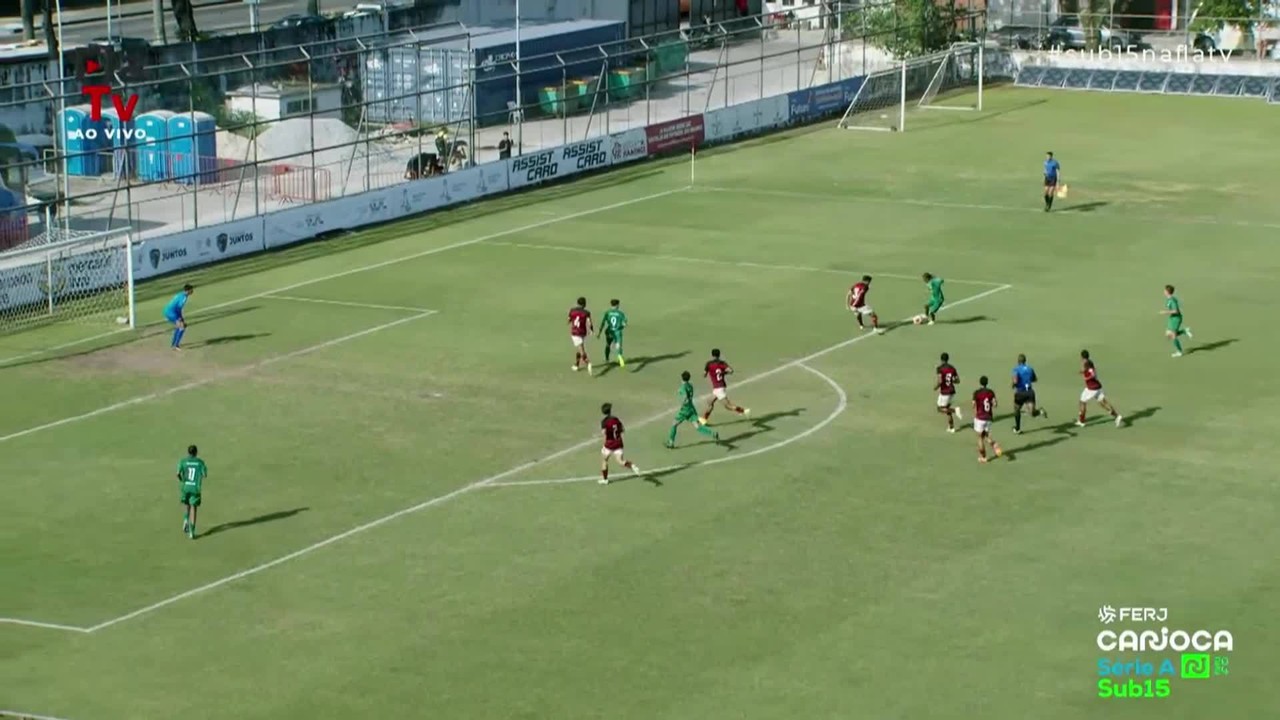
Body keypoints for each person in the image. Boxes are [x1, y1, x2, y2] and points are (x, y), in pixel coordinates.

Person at [667, 371, 718, 448]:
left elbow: (685, 397)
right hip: (691, 409)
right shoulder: (690, 386)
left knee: (674, 424)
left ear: (682, 378)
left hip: (685, 410)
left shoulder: (683, 387)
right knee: (697, 426)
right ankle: (712, 433)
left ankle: (671, 442)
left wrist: (684, 401)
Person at [701, 348, 750, 425]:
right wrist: (723, 373)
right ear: (719, 355)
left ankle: (743, 411)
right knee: (709, 401)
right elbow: (730, 371)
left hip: (719, 388)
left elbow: (704, 375)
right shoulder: (722, 363)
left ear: (712, 355)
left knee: (727, 406)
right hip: (719, 386)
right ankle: (703, 420)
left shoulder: (709, 364)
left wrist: (708, 372)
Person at [1077, 350, 1124, 427]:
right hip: (1098, 387)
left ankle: (1082, 421)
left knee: (1082, 402)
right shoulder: (1089, 362)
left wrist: (1086, 378)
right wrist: (1083, 372)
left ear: (1082, 357)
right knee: (1103, 403)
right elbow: (1090, 370)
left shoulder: (1086, 363)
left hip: (1091, 388)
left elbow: (1092, 373)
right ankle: (1117, 416)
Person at [599, 403, 642, 485]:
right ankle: (632, 466)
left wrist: (604, 444)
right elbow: (622, 429)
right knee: (620, 461)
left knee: (604, 460)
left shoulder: (604, 422)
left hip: (609, 444)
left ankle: (605, 479)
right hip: (618, 443)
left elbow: (604, 433)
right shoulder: (616, 419)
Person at [177, 444, 208, 539]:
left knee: (187, 504)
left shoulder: (183, 461)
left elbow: (178, 473)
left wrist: (182, 480)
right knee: (194, 508)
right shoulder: (200, 462)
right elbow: (204, 474)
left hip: (186, 487)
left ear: (188, 452)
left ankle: (186, 519)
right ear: (196, 452)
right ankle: (192, 532)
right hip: (195, 488)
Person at [1011, 353, 1046, 434]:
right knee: (1032, 413)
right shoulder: (1030, 369)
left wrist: (1013, 384)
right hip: (1030, 392)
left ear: (1018, 361)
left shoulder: (1016, 369)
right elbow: (1035, 379)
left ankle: (1017, 428)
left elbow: (1015, 380)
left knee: (1016, 410)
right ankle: (1040, 412)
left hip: (1020, 393)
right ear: (1025, 361)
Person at [972, 376, 1003, 463]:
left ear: (980, 382)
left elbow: (973, 405)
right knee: (985, 434)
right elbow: (995, 404)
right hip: (989, 417)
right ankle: (994, 444)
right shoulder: (990, 392)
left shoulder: (977, 393)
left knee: (980, 438)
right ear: (987, 383)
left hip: (980, 417)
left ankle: (983, 457)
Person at [1161, 284, 1193, 357]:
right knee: (1168, 335)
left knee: (1173, 336)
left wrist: (1165, 312)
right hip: (1172, 318)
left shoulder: (1172, 300)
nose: (1163, 291)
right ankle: (1184, 331)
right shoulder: (1170, 299)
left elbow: (1176, 311)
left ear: (1167, 292)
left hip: (1176, 318)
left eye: (1165, 290)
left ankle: (1179, 351)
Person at [935, 351, 962, 432]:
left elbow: (940, 381)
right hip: (952, 391)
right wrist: (952, 380)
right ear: (948, 359)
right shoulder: (952, 368)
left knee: (940, 409)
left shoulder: (939, 368)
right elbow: (958, 381)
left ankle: (955, 410)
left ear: (941, 359)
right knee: (947, 408)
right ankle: (951, 427)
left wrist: (936, 387)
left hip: (945, 392)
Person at [598, 299, 628, 367]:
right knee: (618, 345)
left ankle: (607, 359)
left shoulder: (607, 312)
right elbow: (624, 323)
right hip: (617, 332)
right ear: (617, 305)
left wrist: (599, 332)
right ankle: (619, 356)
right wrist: (621, 327)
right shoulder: (620, 313)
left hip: (609, 331)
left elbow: (603, 323)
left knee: (608, 345)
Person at [163, 284, 193, 350]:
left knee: (178, 326)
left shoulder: (180, 294)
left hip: (167, 311)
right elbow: (178, 308)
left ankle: (173, 344)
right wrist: (180, 318)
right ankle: (176, 346)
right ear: (188, 290)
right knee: (182, 327)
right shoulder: (184, 297)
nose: (192, 291)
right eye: (191, 290)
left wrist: (181, 318)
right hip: (172, 313)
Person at [568, 297, 593, 374]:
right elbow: (589, 322)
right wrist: (591, 330)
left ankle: (588, 363)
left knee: (581, 350)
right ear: (584, 304)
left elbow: (568, 320)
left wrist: (570, 321)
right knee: (579, 348)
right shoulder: (587, 312)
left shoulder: (572, 310)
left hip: (575, 333)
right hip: (582, 332)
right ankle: (576, 365)